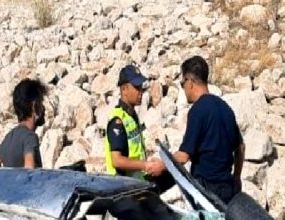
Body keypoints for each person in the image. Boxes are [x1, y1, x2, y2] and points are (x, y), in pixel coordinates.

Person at [173, 55, 245, 204]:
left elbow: (184, 156)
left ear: (190, 82)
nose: (183, 89)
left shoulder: (197, 111)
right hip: (228, 188)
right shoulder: (226, 108)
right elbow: (240, 147)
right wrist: (237, 177)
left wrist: (162, 164)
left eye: (182, 84)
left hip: (207, 190)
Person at [104, 64, 167, 179]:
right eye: (137, 87)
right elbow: (117, 160)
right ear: (124, 89)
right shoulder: (117, 120)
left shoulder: (132, 115)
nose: (141, 91)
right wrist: (145, 165)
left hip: (135, 180)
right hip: (121, 184)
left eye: (141, 87)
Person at [0, 78, 46, 169]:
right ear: (34, 106)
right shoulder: (30, 137)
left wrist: (6, 176)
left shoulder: (10, 137)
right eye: (41, 102)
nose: (44, 108)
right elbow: (29, 169)